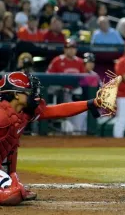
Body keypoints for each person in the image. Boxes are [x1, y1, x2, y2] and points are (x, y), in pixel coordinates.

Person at [0, 72, 103, 205]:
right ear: (16, 94)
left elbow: (56, 111)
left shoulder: (23, 113)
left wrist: (91, 103)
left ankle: (9, 179)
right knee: (11, 194)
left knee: (12, 148)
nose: (34, 96)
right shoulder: (2, 117)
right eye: (29, 92)